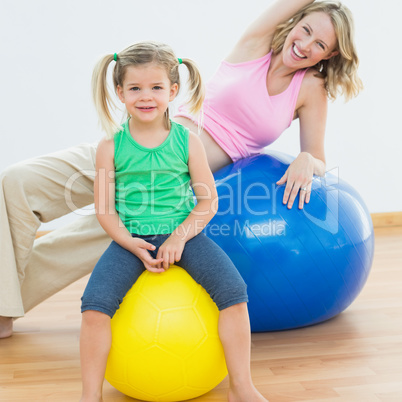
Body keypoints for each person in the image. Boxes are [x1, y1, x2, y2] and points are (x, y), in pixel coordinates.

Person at [0, 0, 362, 338]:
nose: (305, 44)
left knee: (81, 241)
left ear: (329, 54)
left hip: (173, 182)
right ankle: (4, 298)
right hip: (135, 144)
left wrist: (304, 159)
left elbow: (317, 157)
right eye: (306, 29)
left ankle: (3, 313)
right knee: (16, 182)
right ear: (294, 22)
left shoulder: (311, 87)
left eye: (320, 44)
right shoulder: (256, 45)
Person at [78, 41, 267, 402]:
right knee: (94, 307)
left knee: (235, 295)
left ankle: (241, 387)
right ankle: (90, 395)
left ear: (173, 91)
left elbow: (207, 202)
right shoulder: (110, 146)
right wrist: (130, 243)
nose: (145, 96)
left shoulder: (188, 141)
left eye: (156, 87)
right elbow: (105, 209)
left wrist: (179, 238)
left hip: (185, 235)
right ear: (120, 92)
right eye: (134, 88)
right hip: (132, 239)